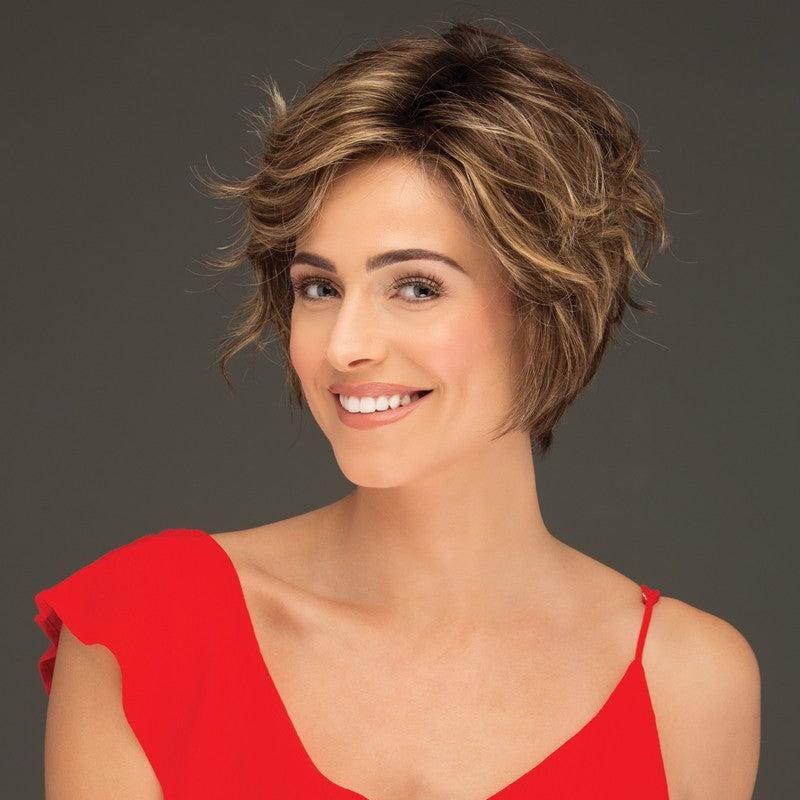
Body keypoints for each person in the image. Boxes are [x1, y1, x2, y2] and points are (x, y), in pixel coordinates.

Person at [34, 20, 761, 800]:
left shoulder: (687, 684)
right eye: (320, 287)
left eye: (416, 286)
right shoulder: (148, 629)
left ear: (544, 304)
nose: (345, 345)